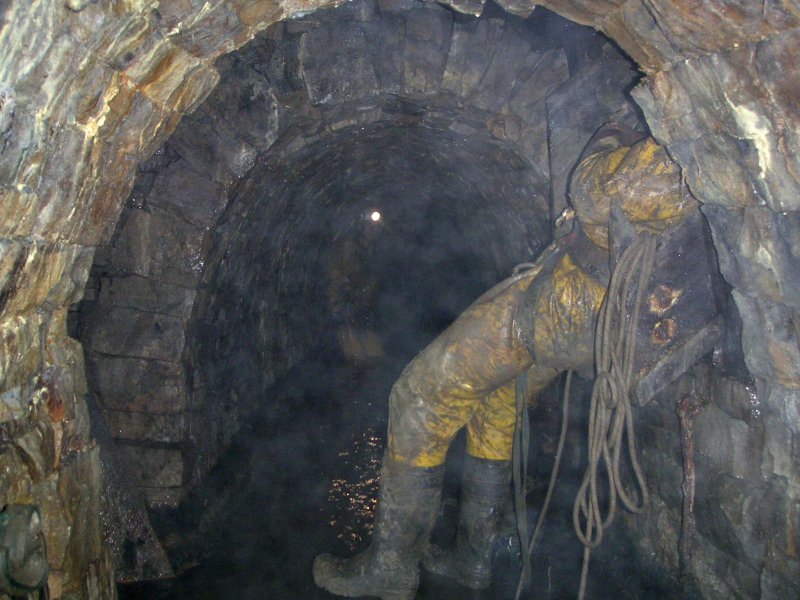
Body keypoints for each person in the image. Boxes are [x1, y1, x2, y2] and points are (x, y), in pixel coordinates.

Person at [313, 124, 698, 600]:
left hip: (565, 305)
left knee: (420, 396)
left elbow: (598, 189)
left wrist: (608, 137)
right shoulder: (718, 157)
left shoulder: (688, 147)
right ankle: (472, 559)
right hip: (597, 318)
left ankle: (391, 568)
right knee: (497, 403)